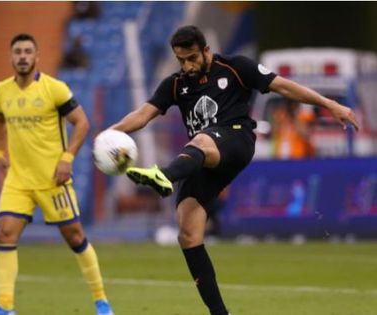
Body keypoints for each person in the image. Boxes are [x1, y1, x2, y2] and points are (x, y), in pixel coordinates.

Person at [109, 25, 359, 315]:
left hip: (236, 140)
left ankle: (164, 174)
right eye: (181, 60)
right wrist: (110, 133)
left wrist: (330, 104)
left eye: (192, 58)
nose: (187, 66)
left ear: (206, 50)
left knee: (201, 139)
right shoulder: (175, 85)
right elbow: (143, 114)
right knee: (188, 233)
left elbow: (285, 86)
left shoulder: (236, 67)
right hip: (200, 159)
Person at [0, 33, 113, 315]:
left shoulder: (55, 89)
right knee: (5, 234)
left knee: (75, 237)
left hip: (53, 179)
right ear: (11, 57)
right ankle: (5, 306)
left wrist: (67, 159)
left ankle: (101, 301)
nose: (23, 56)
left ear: (37, 57)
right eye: (18, 51)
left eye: (28, 51)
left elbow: (82, 123)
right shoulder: (1, 91)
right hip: (18, 180)